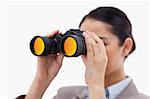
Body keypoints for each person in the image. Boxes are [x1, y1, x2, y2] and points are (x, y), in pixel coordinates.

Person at [16, 7, 150, 99]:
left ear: (126, 47)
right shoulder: (66, 95)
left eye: (100, 43)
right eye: (85, 44)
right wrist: (41, 79)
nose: (91, 51)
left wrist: (96, 87)